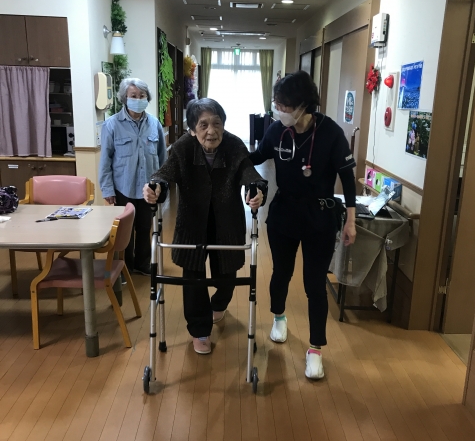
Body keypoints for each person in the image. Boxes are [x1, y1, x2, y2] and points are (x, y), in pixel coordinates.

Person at [250, 70, 357, 380]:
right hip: (284, 213)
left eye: (283, 104)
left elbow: (348, 178)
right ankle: (279, 318)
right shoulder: (277, 131)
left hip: (320, 216)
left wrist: (350, 221)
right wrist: (223, 144)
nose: (278, 110)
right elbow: (256, 156)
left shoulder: (331, 133)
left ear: (302, 105)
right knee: (281, 272)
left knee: (314, 284)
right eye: (276, 103)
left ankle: (315, 349)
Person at [143, 98, 266, 355]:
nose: (211, 131)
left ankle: (219, 303)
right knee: (193, 279)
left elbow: (249, 172)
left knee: (227, 276)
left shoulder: (233, 145)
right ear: (192, 129)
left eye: (216, 123)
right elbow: (165, 173)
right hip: (192, 224)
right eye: (203, 125)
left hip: (227, 223)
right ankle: (200, 330)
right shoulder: (183, 147)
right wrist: (156, 187)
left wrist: (256, 189)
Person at [99, 78, 167, 276]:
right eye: (133, 96)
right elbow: (105, 160)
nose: (138, 99)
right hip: (123, 187)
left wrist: (162, 186)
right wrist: (107, 189)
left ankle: (142, 263)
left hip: (148, 188)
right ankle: (124, 266)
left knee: (145, 227)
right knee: (123, 230)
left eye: (142, 96)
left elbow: (163, 158)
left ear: (147, 98)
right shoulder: (112, 125)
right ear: (125, 98)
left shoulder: (154, 124)